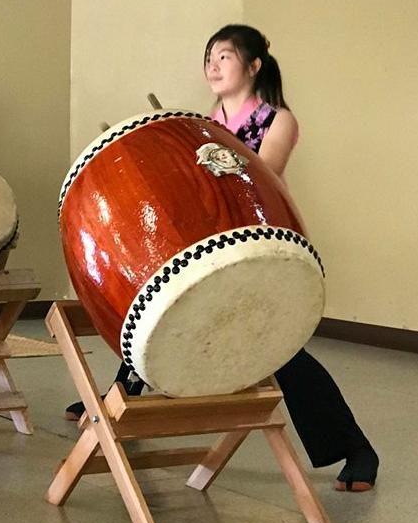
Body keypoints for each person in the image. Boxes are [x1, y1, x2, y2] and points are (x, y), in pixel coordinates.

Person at [65, 25, 379, 492]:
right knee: (157, 309)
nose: (213, 65)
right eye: (209, 57)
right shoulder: (208, 121)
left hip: (259, 243)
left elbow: (260, 178)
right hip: (211, 242)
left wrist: (197, 156)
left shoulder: (277, 120)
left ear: (254, 66)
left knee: (283, 353)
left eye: (225, 57)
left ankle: (357, 450)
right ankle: (119, 402)